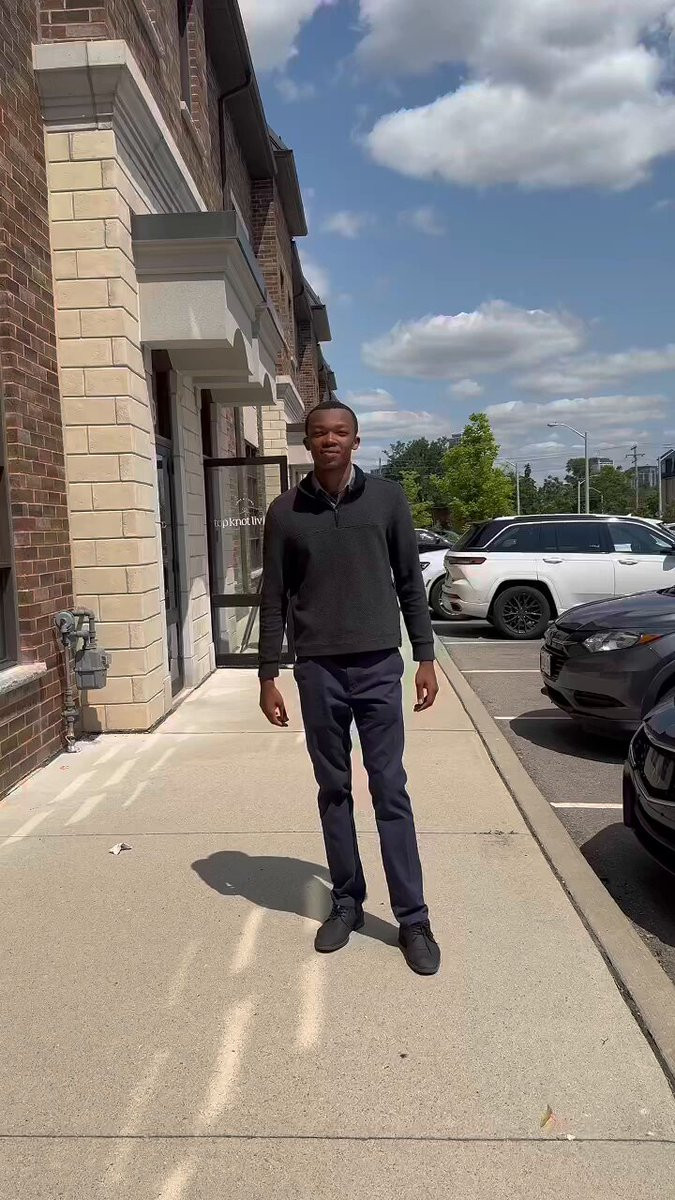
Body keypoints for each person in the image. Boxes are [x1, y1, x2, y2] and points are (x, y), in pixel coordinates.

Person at [258, 399, 441, 976]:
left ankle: (413, 919)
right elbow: (272, 598)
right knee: (333, 788)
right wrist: (267, 673)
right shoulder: (285, 512)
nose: (330, 440)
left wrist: (425, 656)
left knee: (389, 788)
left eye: (340, 432)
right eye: (319, 433)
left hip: (379, 665)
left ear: (356, 441)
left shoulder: (387, 500)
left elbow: (410, 582)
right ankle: (347, 902)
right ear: (307, 442)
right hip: (318, 670)